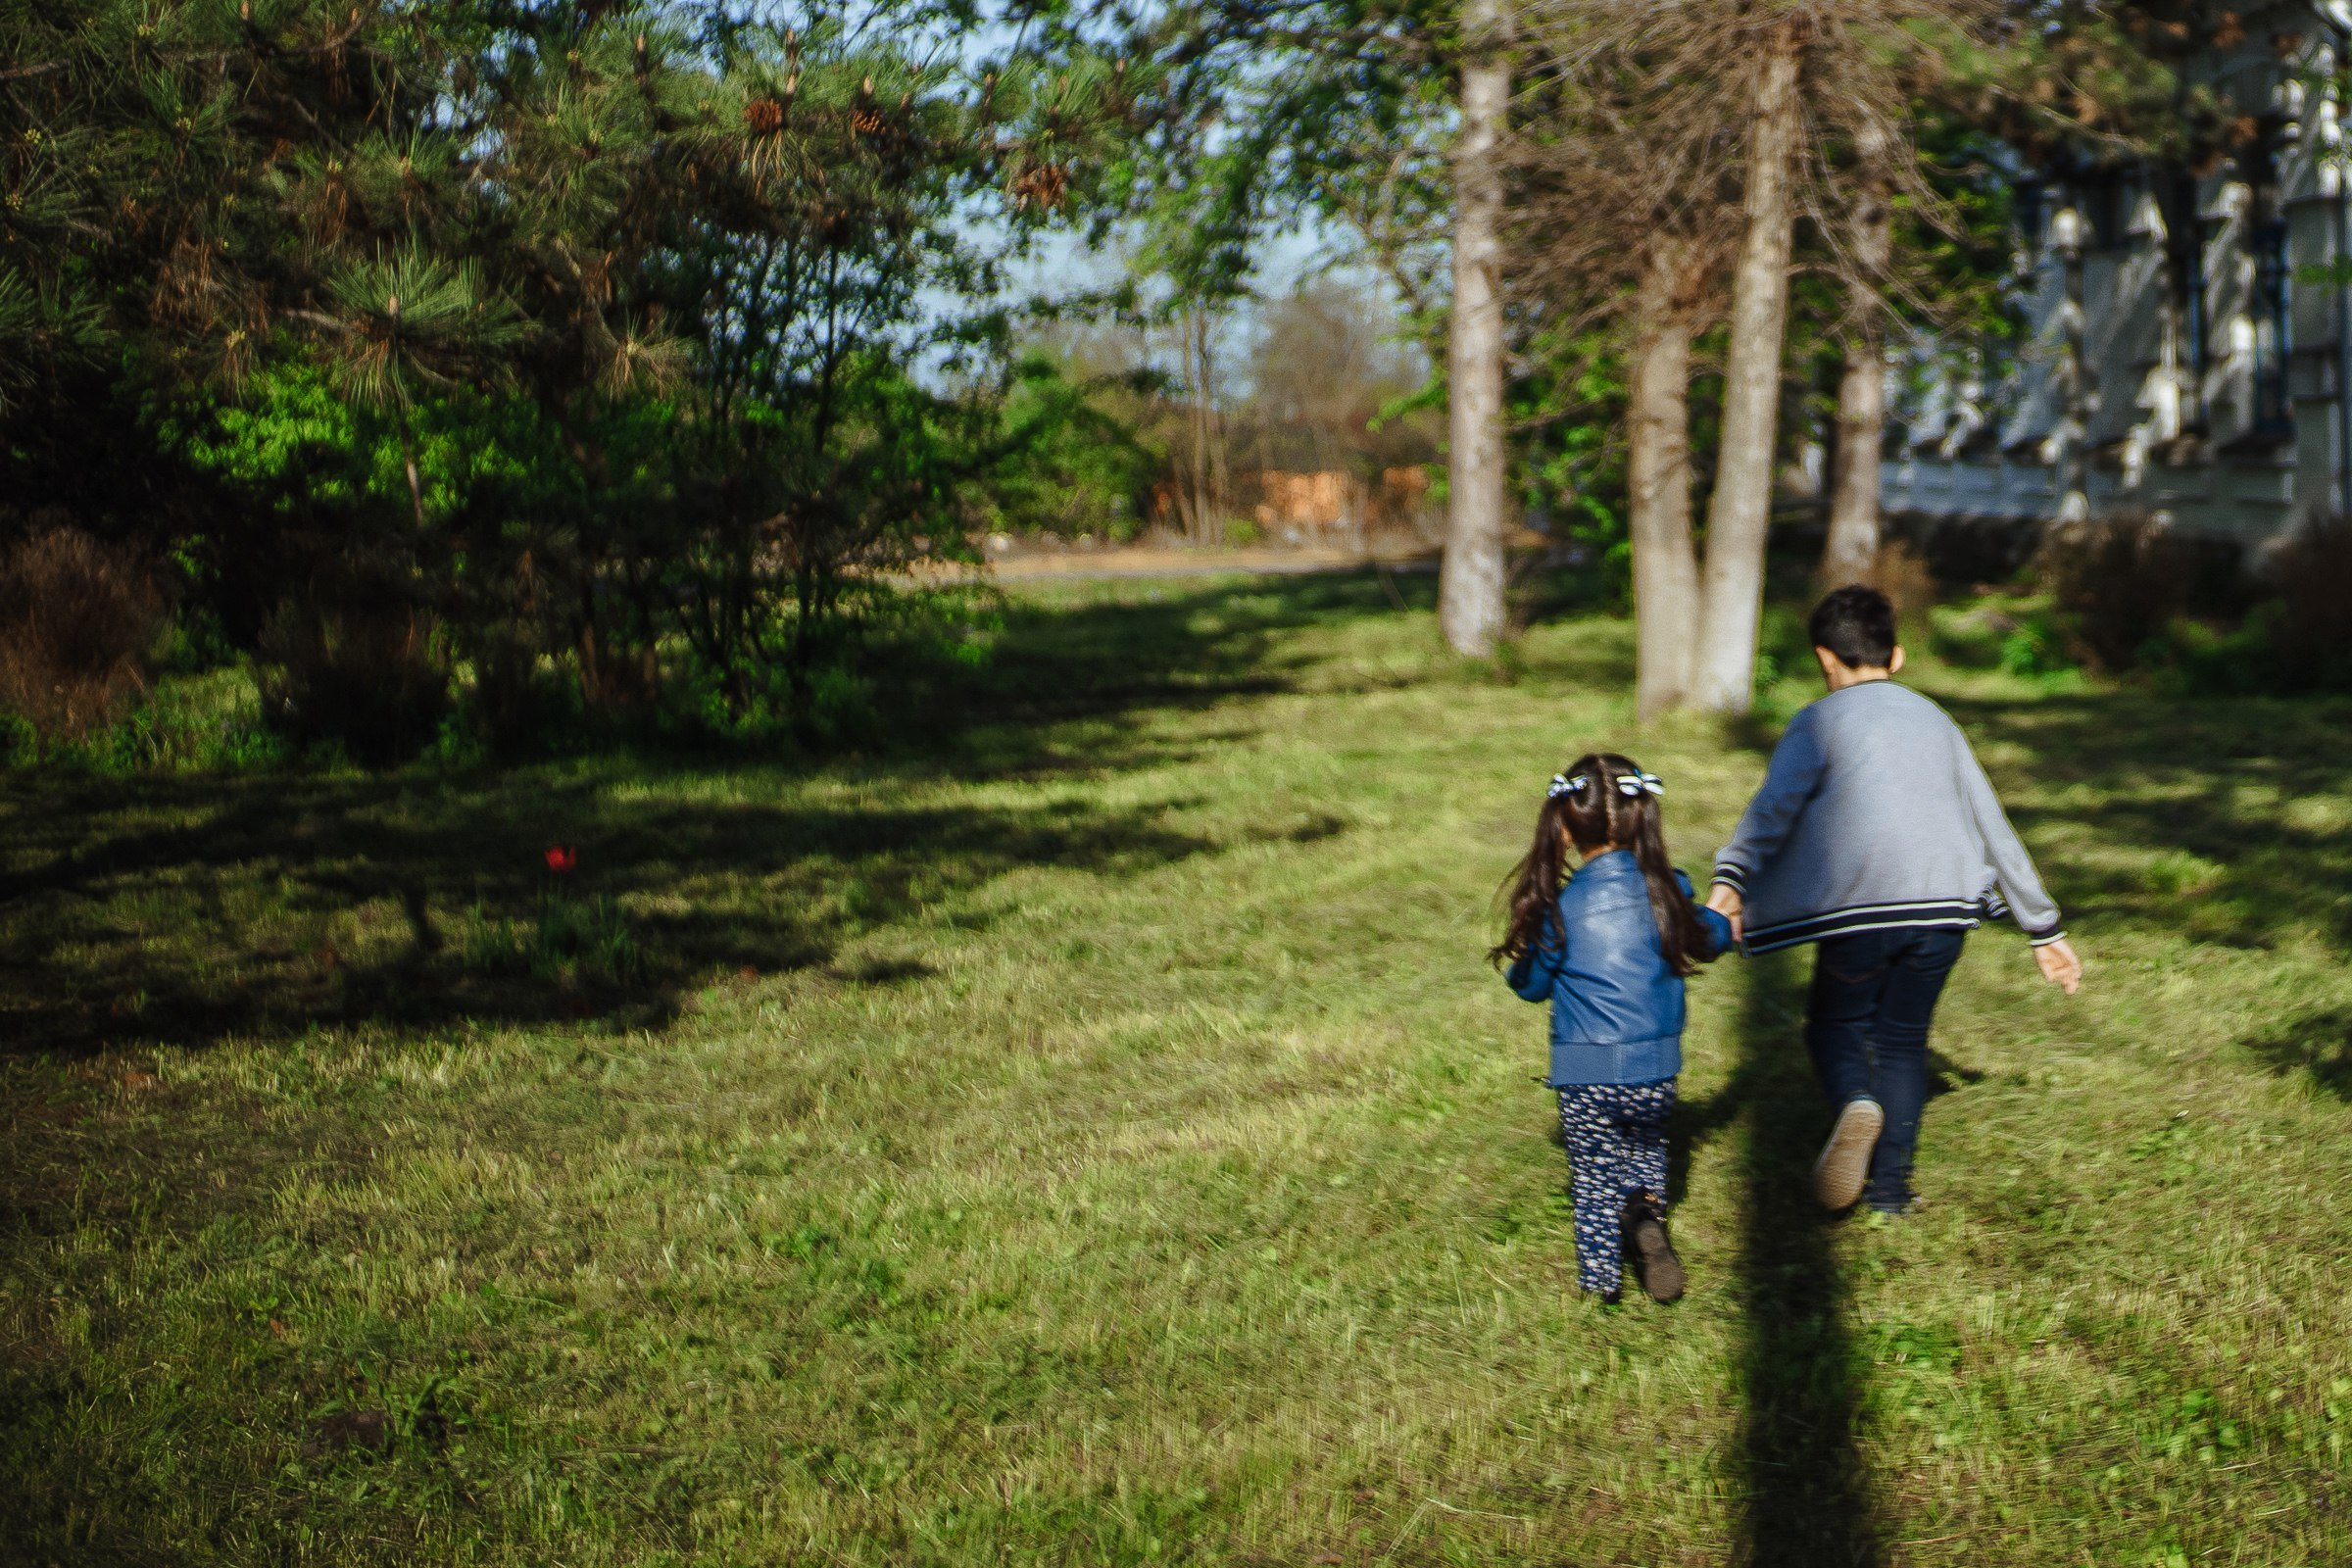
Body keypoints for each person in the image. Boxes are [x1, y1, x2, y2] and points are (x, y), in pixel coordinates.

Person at [1705, 585, 2084, 1216]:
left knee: (1833, 1025)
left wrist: (1733, 878)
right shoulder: (1938, 721)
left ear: (1826, 660)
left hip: (1860, 910)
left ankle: (1856, 1100)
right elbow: (1991, 823)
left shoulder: (1818, 721)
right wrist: (2043, 928)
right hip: (1943, 911)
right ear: (1898, 657)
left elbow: (1774, 809)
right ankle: (1890, 1193)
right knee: (1905, 1041)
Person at [1494, 754, 1734, 1304]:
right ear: (1643, 816)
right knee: (1646, 1154)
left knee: (1594, 1179)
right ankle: (1646, 1219)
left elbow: (1529, 987)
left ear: (1564, 828)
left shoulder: (1560, 908)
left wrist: (1526, 958)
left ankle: (1600, 1287)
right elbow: (1713, 938)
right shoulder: (1668, 893)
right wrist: (1725, 916)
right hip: (1656, 1068)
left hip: (1586, 1071)